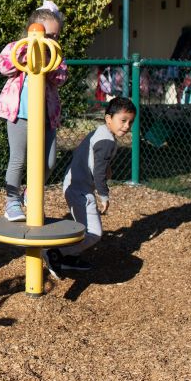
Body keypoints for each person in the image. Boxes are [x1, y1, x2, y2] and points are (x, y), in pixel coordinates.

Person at [0, 0, 69, 222]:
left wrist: (48, 59)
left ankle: (30, 194)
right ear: (32, 31)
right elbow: (4, 66)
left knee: (49, 162)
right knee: (18, 158)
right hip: (20, 114)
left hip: (46, 117)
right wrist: (28, 53)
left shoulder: (55, 54)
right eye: (47, 35)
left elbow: (61, 78)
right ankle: (12, 202)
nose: (51, 40)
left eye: (55, 36)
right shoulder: (17, 48)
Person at [45, 96, 137, 278]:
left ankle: (69, 256)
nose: (127, 126)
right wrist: (104, 195)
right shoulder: (107, 141)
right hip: (79, 190)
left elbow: (95, 160)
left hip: (74, 184)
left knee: (82, 228)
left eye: (130, 122)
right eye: (123, 120)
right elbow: (99, 171)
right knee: (94, 233)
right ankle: (55, 252)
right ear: (108, 118)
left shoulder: (101, 132)